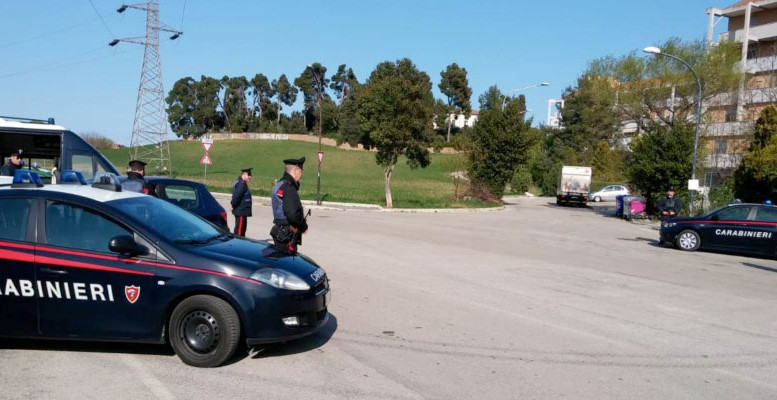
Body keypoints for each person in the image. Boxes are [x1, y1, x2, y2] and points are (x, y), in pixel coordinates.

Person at [270, 157, 308, 253]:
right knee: (288, 263)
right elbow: (293, 214)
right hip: (287, 235)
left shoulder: (280, 184)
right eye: (301, 171)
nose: (302, 174)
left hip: (280, 231)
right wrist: (303, 226)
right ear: (295, 171)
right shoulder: (289, 187)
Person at [231, 168, 253, 237]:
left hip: (242, 211)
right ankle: (237, 246)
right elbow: (237, 197)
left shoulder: (241, 183)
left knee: (241, 232)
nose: (250, 177)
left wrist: (232, 205)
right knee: (239, 233)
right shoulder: (241, 184)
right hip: (241, 211)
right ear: (244, 174)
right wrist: (233, 205)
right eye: (249, 175)